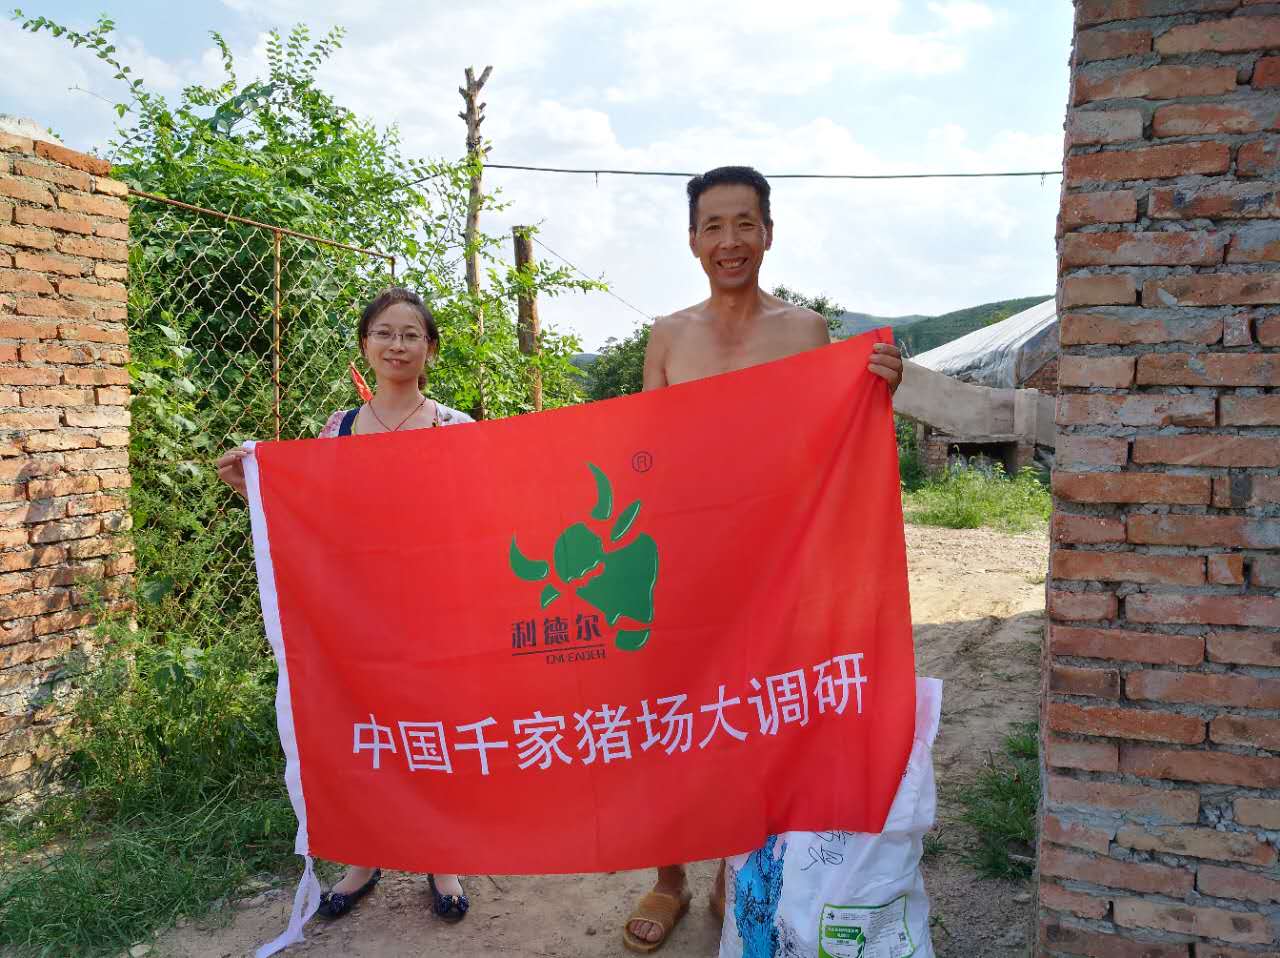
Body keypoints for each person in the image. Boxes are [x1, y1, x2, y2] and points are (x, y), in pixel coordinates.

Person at [622, 166, 904, 953]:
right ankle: (669, 877)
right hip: (684, 555)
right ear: (692, 241)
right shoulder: (669, 335)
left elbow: (828, 439)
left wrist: (877, 390)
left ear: (769, 234)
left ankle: (735, 863)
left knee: (753, 712)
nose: (729, 241)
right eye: (713, 226)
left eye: (744, 223)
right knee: (672, 715)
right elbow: (647, 451)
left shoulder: (805, 331)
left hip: (777, 560)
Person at [215, 286, 473, 923]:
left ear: (431, 349)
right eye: (384, 333)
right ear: (365, 344)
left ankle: (443, 857)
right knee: (366, 732)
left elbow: (484, 514)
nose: (396, 345)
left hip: (436, 608)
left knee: (435, 729)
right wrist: (254, 486)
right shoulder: (340, 427)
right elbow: (313, 511)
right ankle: (364, 857)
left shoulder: (457, 428)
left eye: (410, 334)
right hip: (357, 610)